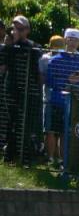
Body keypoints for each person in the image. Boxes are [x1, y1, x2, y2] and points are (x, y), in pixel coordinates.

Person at [44, 28, 79, 163]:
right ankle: (50, 159)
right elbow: (49, 80)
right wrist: (67, 82)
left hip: (74, 104)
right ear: (65, 40)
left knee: (66, 133)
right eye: (70, 39)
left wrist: (76, 86)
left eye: (76, 40)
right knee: (51, 130)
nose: (73, 43)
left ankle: (63, 160)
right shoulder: (55, 60)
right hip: (56, 101)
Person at [1, 15, 42, 163]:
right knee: (12, 121)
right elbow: (3, 67)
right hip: (11, 90)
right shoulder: (8, 46)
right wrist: (7, 47)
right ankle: (9, 154)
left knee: (25, 123)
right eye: (14, 28)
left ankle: (25, 155)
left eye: (19, 29)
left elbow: (38, 71)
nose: (16, 31)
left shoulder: (34, 47)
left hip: (28, 91)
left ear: (27, 30)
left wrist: (38, 90)